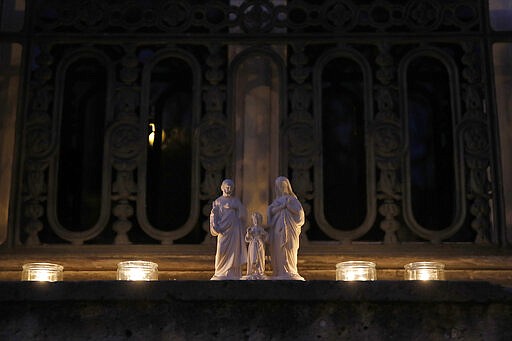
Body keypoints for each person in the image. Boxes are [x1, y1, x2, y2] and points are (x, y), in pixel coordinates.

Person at [267, 176, 305, 280]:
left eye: (283, 185)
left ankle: (291, 270)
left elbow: (300, 215)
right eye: (279, 186)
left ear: (288, 186)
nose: (281, 188)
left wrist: (288, 207)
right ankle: (280, 271)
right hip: (278, 230)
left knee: (290, 248)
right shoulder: (276, 202)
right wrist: (281, 207)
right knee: (279, 249)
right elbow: (270, 212)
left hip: (290, 230)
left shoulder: (292, 200)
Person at [210, 179, 247, 280]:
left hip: (234, 229)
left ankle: (233, 272)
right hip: (223, 230)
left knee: (234, 251)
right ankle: (220, 271)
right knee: (222, 250)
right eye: (226, 187)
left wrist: (237, 208)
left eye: (230, 187)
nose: (228, 189)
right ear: (222, 187)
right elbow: (215, 215)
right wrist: (215, 225)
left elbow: (243, 215)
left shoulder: (236, 201)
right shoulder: (218, 201)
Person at [244, 212, 268, 280]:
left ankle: (260, 271)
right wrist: (248, 233)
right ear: (253, 220)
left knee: (260, 258)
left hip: (260, 245)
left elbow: (266, 237)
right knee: (253, 258)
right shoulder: (251, 229)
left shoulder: (261, 229)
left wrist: (263, 236)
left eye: (258, 219)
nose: (256, 221)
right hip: (253, 245)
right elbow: (247, 239)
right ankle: (252, 271)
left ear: (260, 221)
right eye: (255, 219)